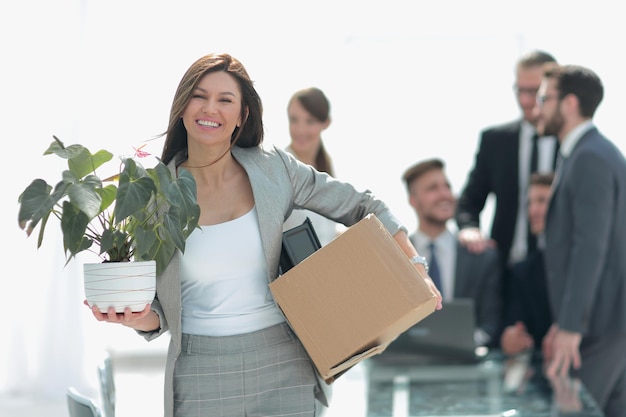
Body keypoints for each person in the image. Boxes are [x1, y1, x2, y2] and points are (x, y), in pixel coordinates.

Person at [86, 53, 442, 417]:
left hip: (284, 363)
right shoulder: (154, 194)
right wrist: (136, 317)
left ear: (242, 116)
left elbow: (365, 205)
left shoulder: (274, 169)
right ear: (182, 105)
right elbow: (161, 312)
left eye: (225, 100)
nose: (210, 108)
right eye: (199, 95)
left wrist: (416, 267)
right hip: (200, 372)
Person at [536, 63, 626, 417]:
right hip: (605, 325)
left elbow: (590, 247)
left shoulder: (589, 157)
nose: (537, 107)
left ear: (569, 103)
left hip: (598, 329)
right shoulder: (593, 152)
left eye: (544, 98)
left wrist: (572, 325)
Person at [455, 50, 559, 269]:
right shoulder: (495, 141)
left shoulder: (572, 146)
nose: (526, 100)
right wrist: (469, 228)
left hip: (559, 270)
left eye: (535, 92)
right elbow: (469, 201)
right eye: (521, 91)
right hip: (508, 270)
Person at [403, 158, 502, 347]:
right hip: (407, 368)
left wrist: (464, 345)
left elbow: (490, 324)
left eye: (447, 187)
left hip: (465, 368)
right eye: (432, 188)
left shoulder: (481, 257)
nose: (445, 195)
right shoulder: (396, 259)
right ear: (413, 200)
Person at [500, 173, 554, 356]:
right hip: (544, 376)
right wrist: (511, 339)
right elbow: (515, 323)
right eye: (530, 203)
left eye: (542, 201)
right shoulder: (523, 272)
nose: (533, 210)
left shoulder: (593, 264)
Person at [282, 87, 341, 246]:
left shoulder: (328, 170)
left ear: (326, 123)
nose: (300, 130)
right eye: (294, 120)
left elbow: (323, 231)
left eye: (310, 121)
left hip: (324, 268)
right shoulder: (280, 167)